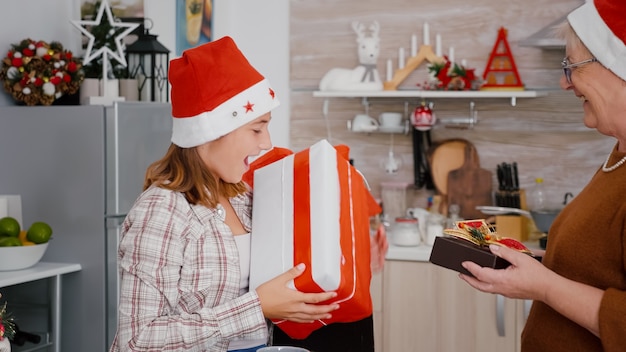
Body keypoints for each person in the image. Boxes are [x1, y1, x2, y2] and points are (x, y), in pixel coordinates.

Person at [109, 36, 340, 352]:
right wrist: (256, 309)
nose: (266, 142)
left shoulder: (242, 197)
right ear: (209, 133)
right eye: (256, 129)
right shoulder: (162, 211)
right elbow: (137, 341)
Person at [458, 0, 626, 351]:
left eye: (572, 66)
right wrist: (528, 268)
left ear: (618, 66)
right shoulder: (619, 156)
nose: (565, 84)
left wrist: (543, 286)